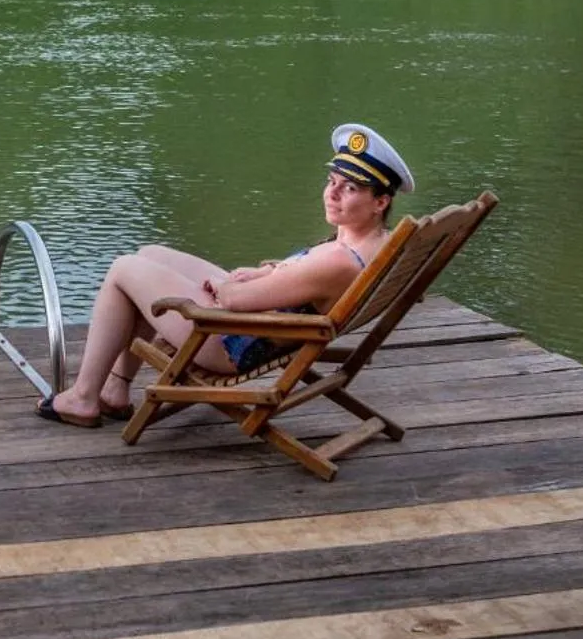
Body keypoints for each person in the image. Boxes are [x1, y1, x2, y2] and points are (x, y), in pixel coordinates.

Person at [37, 123, 415, 428]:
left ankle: (84, 397)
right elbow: (305, 277)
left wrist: (224, 287)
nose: (332, 194)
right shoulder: (376, 244)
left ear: (380, 202)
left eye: (350, 188)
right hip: (263, 322)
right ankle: (116, 390)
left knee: (125, 269)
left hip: (227, 340)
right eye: (332, 181)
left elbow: (234, 301)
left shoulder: (341, 261)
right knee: (150, 255)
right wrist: (265, 272)